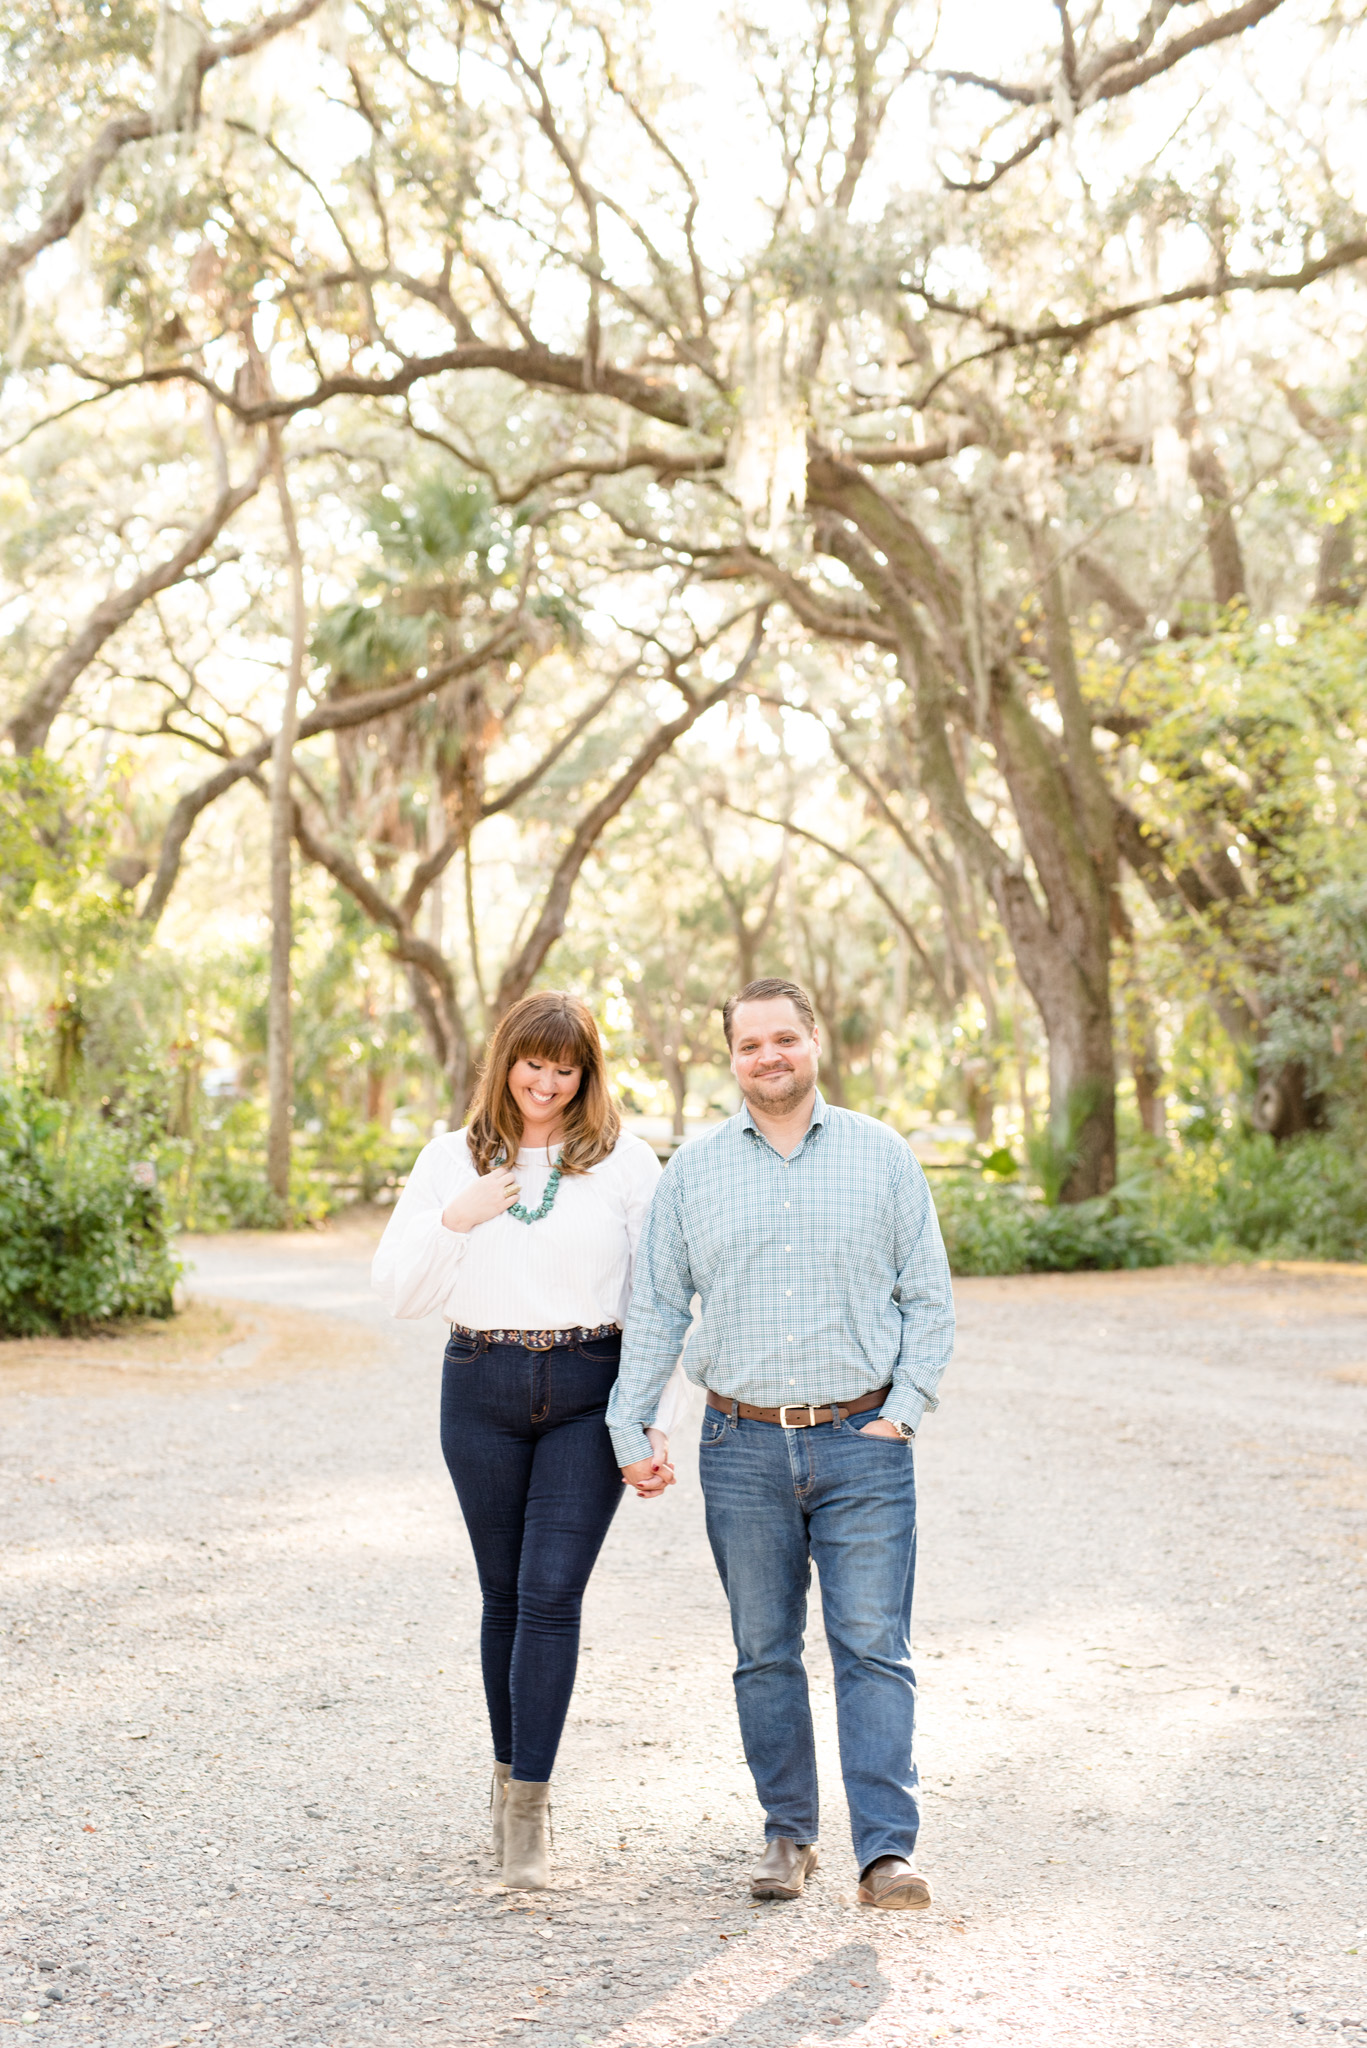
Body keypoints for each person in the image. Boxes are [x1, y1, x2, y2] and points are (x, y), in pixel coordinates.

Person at [607, 977, 954, 1911]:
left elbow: (928, 1296)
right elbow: (655, 1309)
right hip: (741, 1443)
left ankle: (886, 1854)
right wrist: (627, 1423)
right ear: (732, 1058)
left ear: (814, 1042)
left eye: (784, 1039)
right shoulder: (693, 1171)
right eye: (750, 1043)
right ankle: (787, 1834)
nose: (769, 1056)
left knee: (872, 1646)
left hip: (862, 1440)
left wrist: (906, 1409)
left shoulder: (882, 1157)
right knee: (763, 1648)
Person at [372, 990, 682, 1891]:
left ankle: (530, 1816)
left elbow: (656, 1300)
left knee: (552, 1593)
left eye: (564, 1068)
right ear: (505, 1059)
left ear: (586, 1075)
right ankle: (507, 1788)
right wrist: (456, 1215)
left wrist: (648, 1418)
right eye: (531, 1063)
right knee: (502, 1594)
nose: (544, 1083)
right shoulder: (448, 1161)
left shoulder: (624, 1163)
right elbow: (400, 1291)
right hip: (480, 1386)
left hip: (590, 1389)